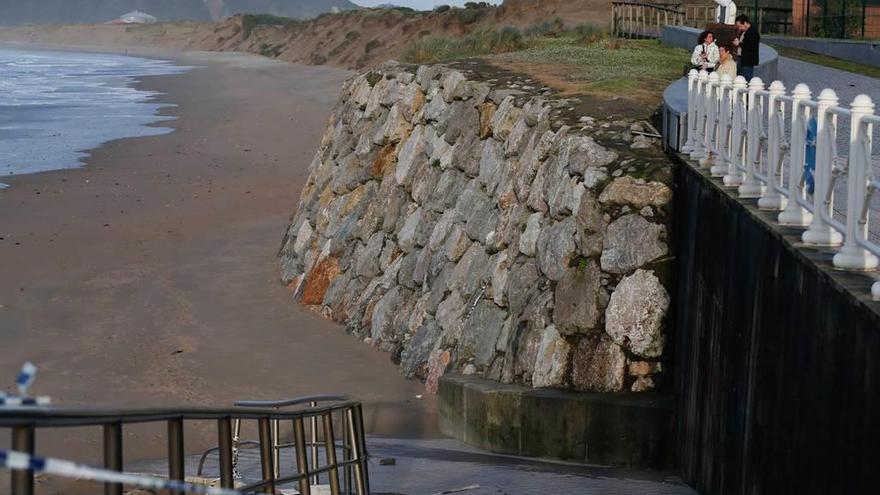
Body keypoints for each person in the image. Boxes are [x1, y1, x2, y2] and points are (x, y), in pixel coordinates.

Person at [732, 14, 760, 80]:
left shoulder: (753, 32)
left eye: (740, 26)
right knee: (739, 77)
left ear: (745, 23)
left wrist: (739, 43)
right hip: (741, 58)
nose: (739, 28)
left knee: (746, 79)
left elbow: (750, 46)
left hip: (748, 60)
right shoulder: (744, 31)